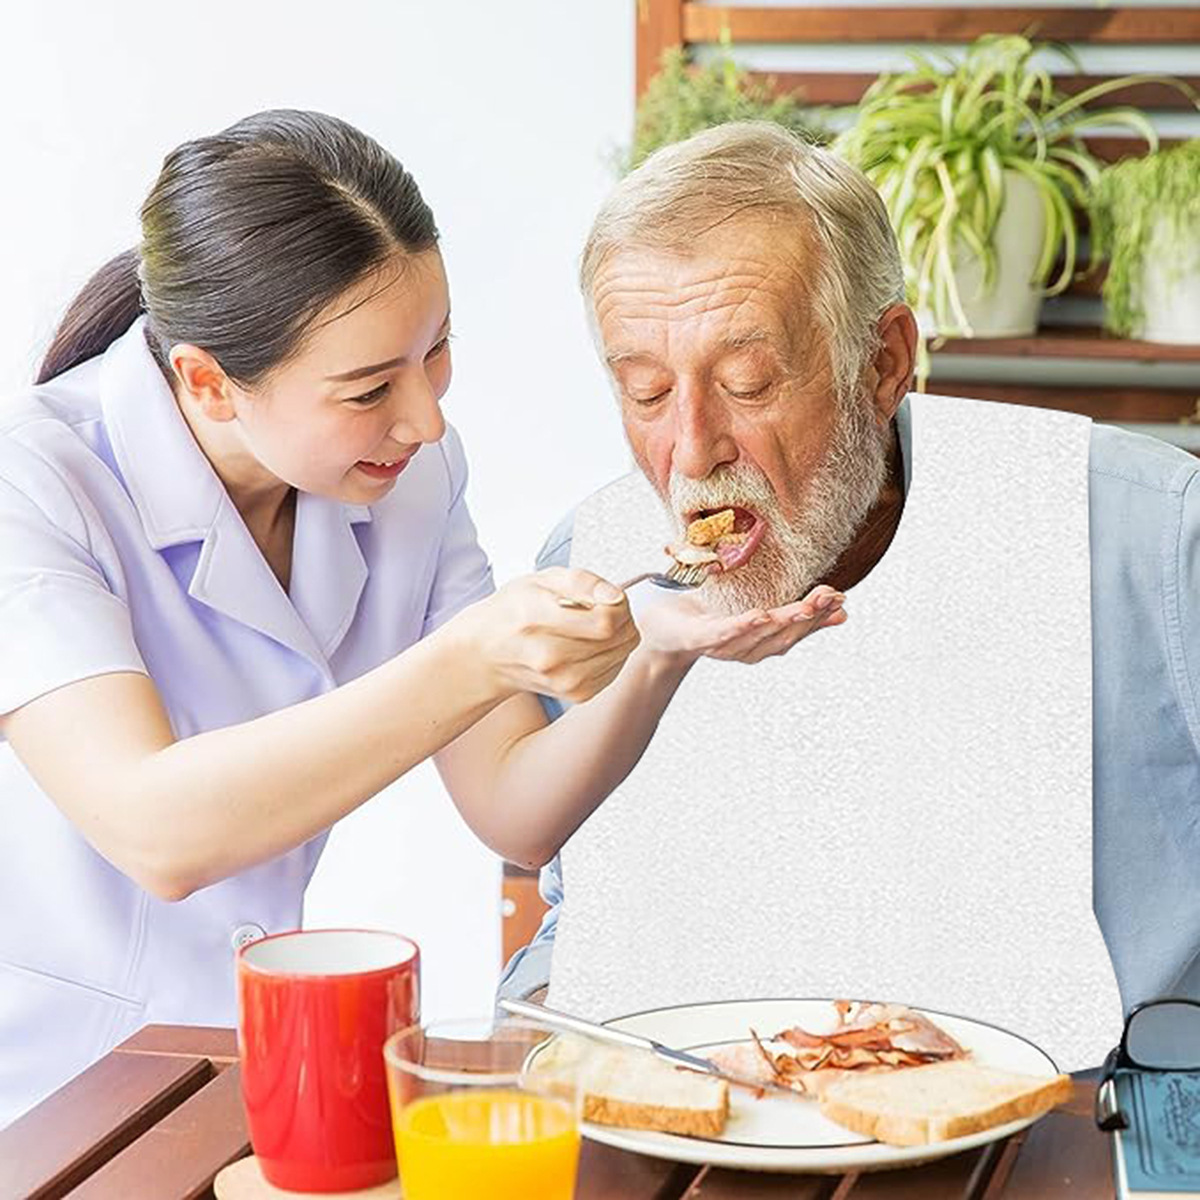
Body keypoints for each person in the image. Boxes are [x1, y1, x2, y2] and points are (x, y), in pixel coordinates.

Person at [0, 111, 847, 1126]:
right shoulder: (33, 485)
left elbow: (514, 810)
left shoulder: (407, 473)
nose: (426, 419)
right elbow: (157, 832)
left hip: (241, 1070)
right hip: (45, 1091)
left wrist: (657, 657)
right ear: (208, 383)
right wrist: (476, 658)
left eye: (436, 350)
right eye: (369, 389)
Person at [498, 122, 1200, 1068]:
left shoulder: (1150, 540)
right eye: (648, 393)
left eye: (748, 383)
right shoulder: (591, 571)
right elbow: (582, 913)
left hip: (1085, 1112)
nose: (693, 452)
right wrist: (543, 1022)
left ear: (883, 364)